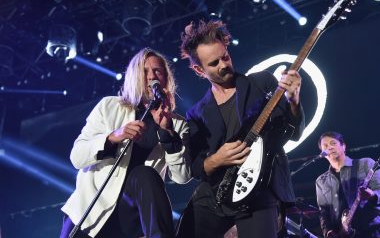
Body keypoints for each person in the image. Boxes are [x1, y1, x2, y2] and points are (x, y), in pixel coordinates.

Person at [176, 20, 305, 238]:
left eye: (225, 56)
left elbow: (293, 133)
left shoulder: (261, 83)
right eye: (214, 63)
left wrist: (293, 100)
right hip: (217, 195)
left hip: (261, 189)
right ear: (199, 70)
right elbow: (196, 168)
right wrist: (217, 159)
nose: (223, 65)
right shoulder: (196, 114)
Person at [59, 47, 191, 238]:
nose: (151, 77)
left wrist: (167, 131)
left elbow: (182, 176)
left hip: (128, 222)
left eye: (157, 71)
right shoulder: (110, 106)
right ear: (134, 76)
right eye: (144, 71)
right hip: (90, 215)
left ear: (165, 79)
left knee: (144, 173)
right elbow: (77, 157)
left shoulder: (177, 123)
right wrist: (113, 137)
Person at [315, 131, 380, 238]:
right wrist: (328, 231)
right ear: (322, 154)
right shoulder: (321, 181)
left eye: (333, 143)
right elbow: (324, 213)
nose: (329, 147)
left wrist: (372, 195)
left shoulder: (365, 164)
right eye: (325, 146)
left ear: (344, 146)